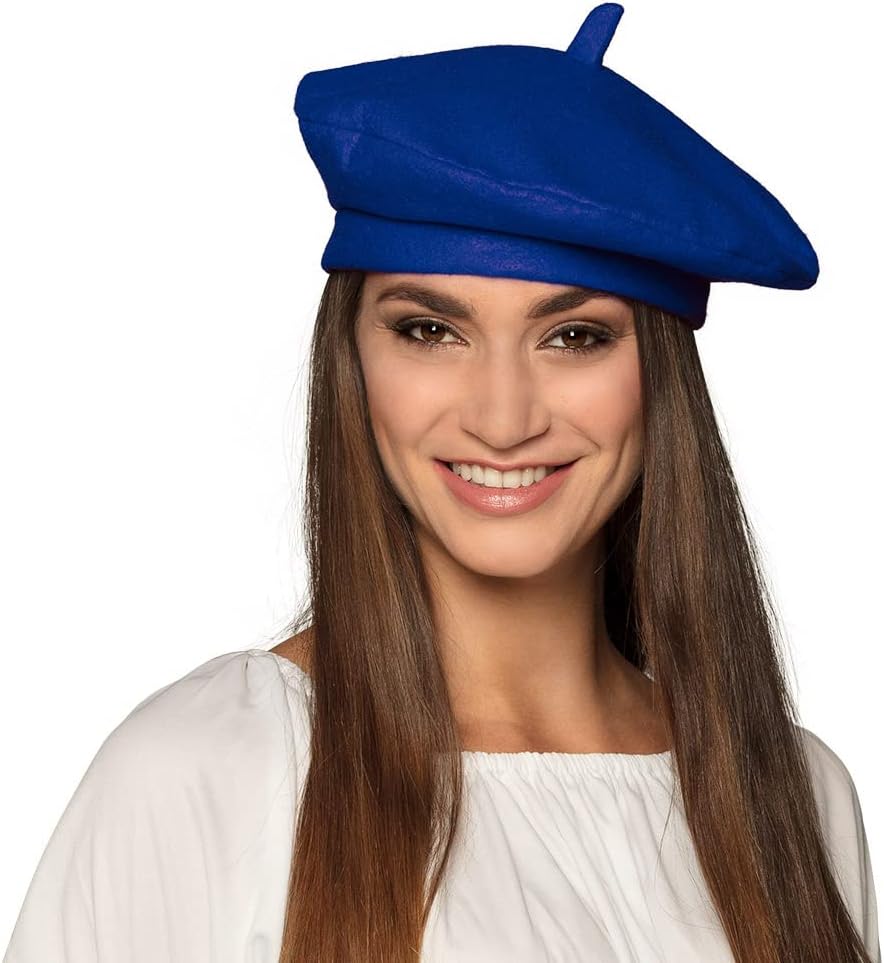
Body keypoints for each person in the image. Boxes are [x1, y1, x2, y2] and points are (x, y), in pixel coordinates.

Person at [3, 4, 880, 962]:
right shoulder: (212, 770)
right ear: (353, 359)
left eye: (574, 335)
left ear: (659, 377)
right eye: (430, 330)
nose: (502, 419)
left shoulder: (796, 797)